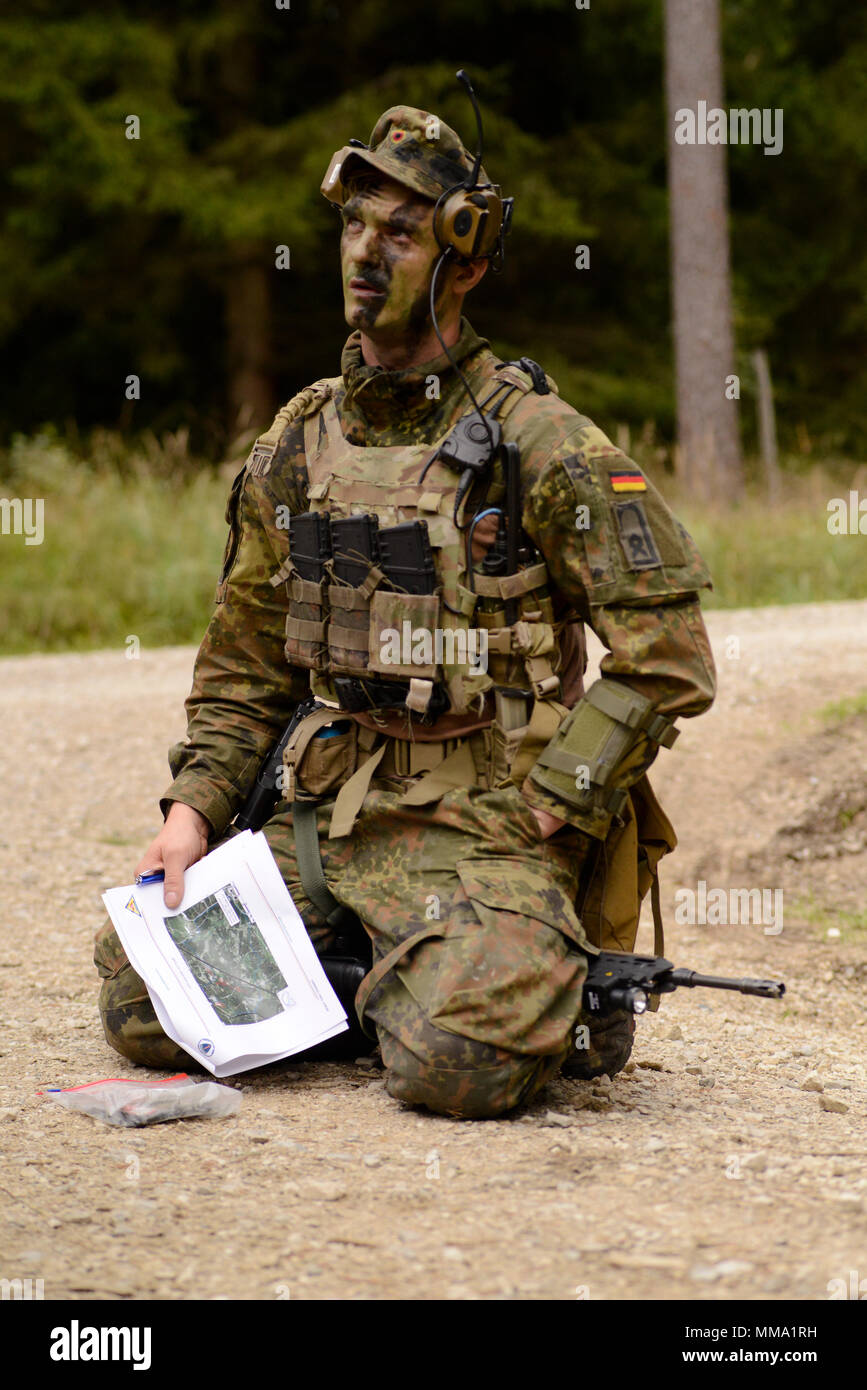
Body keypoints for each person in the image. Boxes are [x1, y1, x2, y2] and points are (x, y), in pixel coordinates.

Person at [94, 101, 716, 1119]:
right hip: (326, 813)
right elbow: (246, 665)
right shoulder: (297, 440)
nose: (364, 254)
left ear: (464, 261)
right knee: (138, 997)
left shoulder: (540, 444)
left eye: (401, 231)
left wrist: (557, 799)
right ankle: (379, 974)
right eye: (351, 226)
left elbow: (671, 657)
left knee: (456, 1067)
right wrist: (195, 811)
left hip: (484, 819)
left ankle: (473, 980)